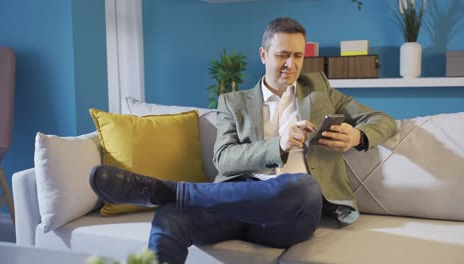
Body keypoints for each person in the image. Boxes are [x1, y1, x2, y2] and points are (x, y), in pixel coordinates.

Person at [89, 17, 397, 264]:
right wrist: (278, 145)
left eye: (298, 55)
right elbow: (223, 158)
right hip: (233, 203)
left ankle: (168, 190)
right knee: (169, 215)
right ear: (263, 55)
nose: (291, 64)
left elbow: (384, 120)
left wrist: (358, 135)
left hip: (290, 213)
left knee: (304, 187)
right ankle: (171, 198)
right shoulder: (233, 102)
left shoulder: (320, 90)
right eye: (282, 55)